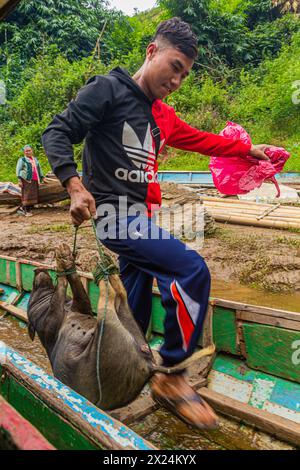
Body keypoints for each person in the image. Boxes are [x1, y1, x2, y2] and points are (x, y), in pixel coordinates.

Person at [42, 17, 271, 429]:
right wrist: (74, 186)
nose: (178, 79)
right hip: (113, 215)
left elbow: (204, 139)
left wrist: (247, 150)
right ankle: (172, 374)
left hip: (141, 217)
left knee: (135, 304)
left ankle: (126, 368)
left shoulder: (162, 116)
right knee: (189, 270)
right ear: (151, 52)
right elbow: (58, 130)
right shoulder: (108, 89)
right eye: (175, 66)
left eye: (185, 73)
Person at [16, 145, 44, 216]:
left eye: (29, 150)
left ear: (32, 151)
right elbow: (18, 170)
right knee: (27, 195)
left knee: (33, 195)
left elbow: (39, 168)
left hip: (34, 180)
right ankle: (23, 210)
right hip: (26, 180)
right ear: (24, 152)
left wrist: (42, 177)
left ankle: (28, 209)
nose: (28, 152)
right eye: (26, 151)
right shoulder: (22, 159)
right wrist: (19, 180)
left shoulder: (35, 159)